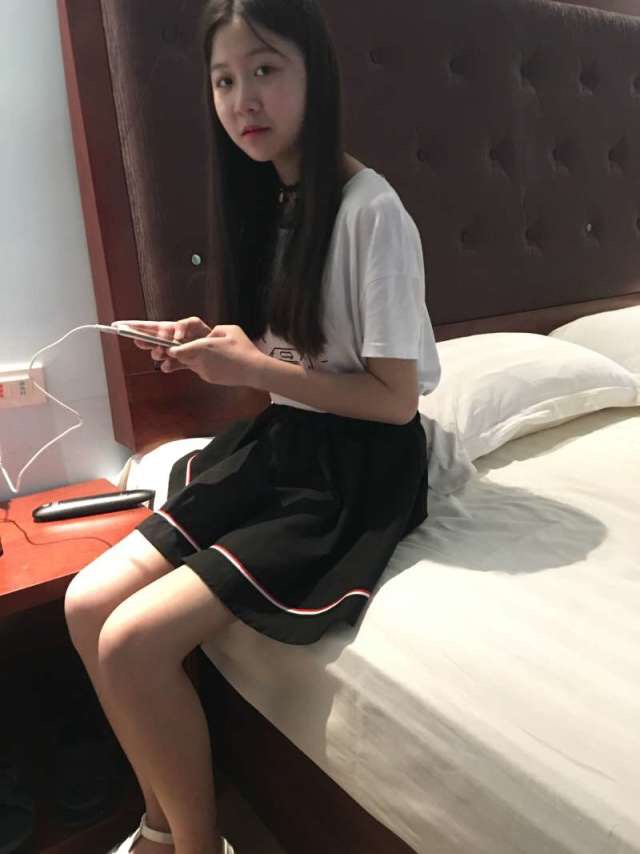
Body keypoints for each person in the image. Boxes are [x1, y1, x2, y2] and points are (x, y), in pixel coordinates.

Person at [63, 2, 441, 853]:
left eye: (266, 70)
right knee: (87, 605)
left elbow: (394, 401)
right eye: (224, 80)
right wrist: (210, 343)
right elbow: (290, 350)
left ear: (316, 74)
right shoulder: (269, 198)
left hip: (357, 467)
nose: (244, 100)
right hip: (287, 443)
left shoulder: (372, 211)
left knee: (131, 645)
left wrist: (255, 371)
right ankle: (164, 829)